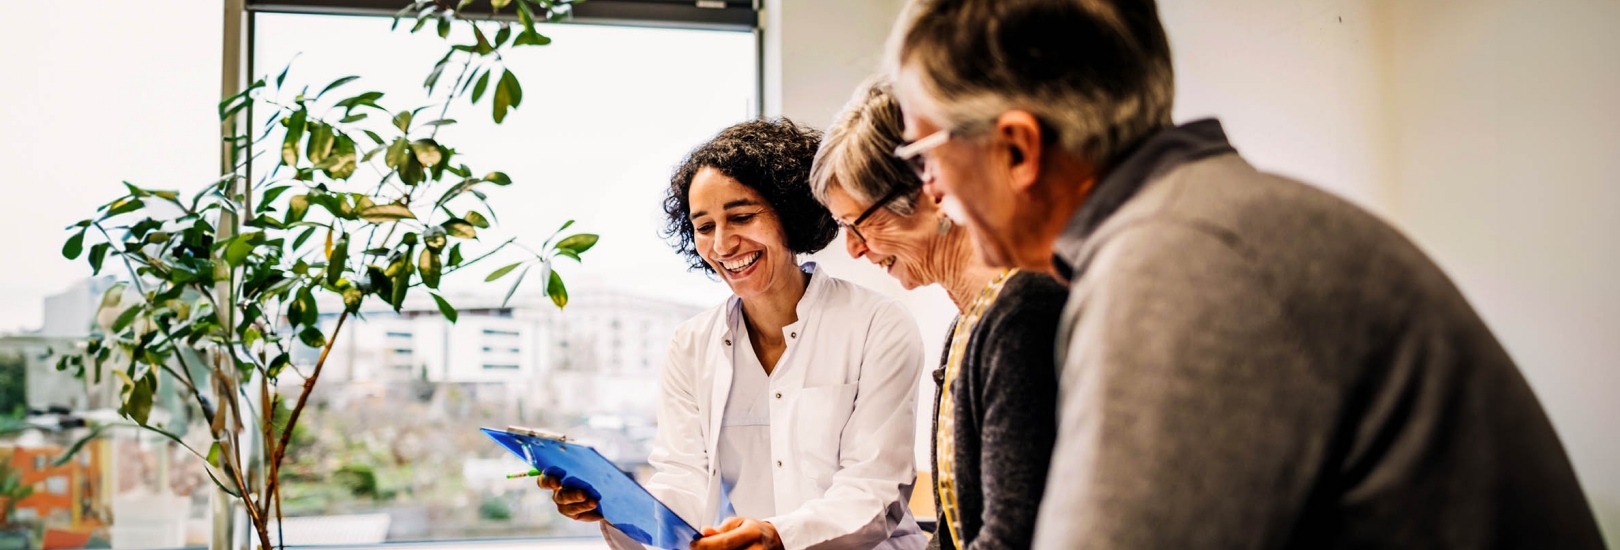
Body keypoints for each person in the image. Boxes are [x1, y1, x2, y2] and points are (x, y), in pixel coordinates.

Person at [883, 1, 1608, 549]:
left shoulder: (1175, 263)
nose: (932, 186)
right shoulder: (1196, 226)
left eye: (925, 156)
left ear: (1017, 150)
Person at [541, 119, 930, 550]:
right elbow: (683, 480)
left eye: (741, 217)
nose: (723, 245)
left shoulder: (878, 325)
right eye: (704, 227)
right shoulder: (690, 345)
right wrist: (614, 506)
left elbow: (874, 490)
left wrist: (779, 534)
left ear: (790, 213)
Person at [810, 77, 1066, 550]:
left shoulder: (1024, 309)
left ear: (932, 186)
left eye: (857, 224)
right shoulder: (965, 324)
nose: (853, 249)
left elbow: (1014, 534)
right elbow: (953, 530)